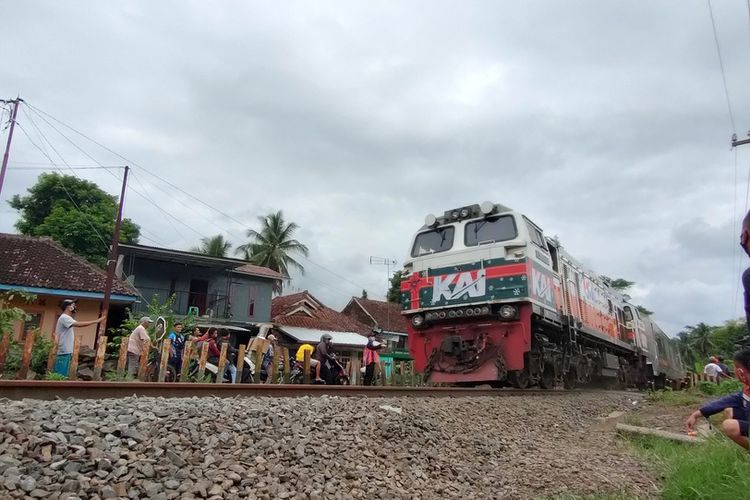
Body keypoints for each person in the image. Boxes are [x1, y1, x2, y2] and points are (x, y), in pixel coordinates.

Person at [687, 348, 750, 449]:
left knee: (729, 426)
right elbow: (723, 402)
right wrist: (696, 414)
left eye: (734, 367)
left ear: (740, 372)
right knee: (729, 410)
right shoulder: (746, 391)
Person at [53, 299, 107, 377]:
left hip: (66, 350)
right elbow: (78, 324)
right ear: (68, 307)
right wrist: (96, 321)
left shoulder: (67, 318)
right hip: (63, 351)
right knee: (60, 375)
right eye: (73, 305)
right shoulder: (64, 318)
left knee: (63, 374)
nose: (75, 307)